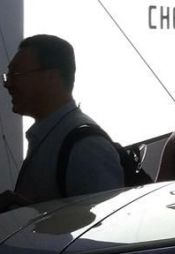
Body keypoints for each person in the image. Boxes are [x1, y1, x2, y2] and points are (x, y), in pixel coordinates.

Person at [0, 34, 123, 209]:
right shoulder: (53, 135)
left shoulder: (86, 146)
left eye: (16, 74)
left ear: (52, 77)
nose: (7, 84)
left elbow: (106, 221)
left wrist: (31, 215)